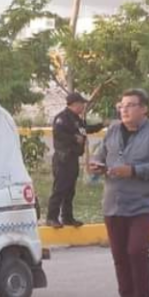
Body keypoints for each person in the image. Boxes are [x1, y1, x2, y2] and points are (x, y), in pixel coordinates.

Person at [88, 88, 149, 297]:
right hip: (114, 203)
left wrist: (133, 170)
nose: (124, 109)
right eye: (121, 105)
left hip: (143, 203)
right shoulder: (114, 130)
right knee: (120, 256)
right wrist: (96, 163)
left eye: (130, 105)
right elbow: (101, 153)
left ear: (144, 108)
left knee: (136, 250)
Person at [45, 92, 104, 228]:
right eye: (82, 103)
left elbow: (85, 130)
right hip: (62, 158)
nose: (83, 106)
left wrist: (101, 125)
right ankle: (51, 217)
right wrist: (74, 138)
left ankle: (67, 217)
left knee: (70, 190)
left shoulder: (77, 119)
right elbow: (58, 134)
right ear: (75, 104)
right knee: (59, 188)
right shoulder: (62, 118)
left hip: (72, 159)